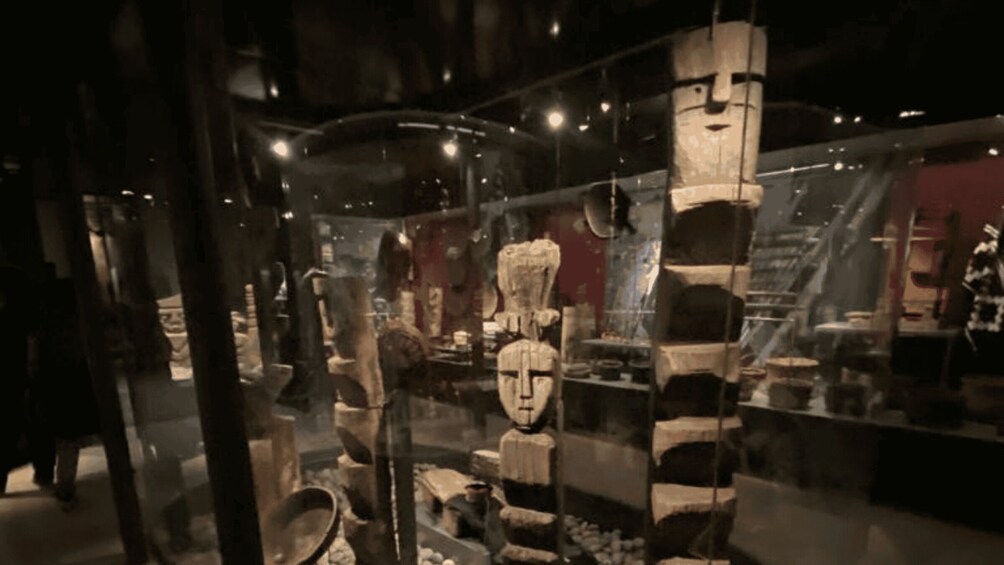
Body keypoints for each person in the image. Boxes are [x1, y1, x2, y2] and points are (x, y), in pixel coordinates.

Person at [29, 278, 101, 507]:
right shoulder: (79, 327)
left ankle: (64, 485)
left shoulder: (44, 330)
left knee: (65, 440)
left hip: (55, 388)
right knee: (72, 439)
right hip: (76, 384)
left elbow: (34, 364)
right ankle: (66, 485)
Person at [0, 255, 38, 494]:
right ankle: (42, 467)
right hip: (16, 362)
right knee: (22, 417)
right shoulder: (17, 280)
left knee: (10, 420)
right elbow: (30, 330)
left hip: (12, 365)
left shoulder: (14, 281)